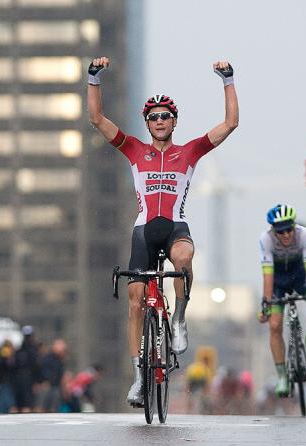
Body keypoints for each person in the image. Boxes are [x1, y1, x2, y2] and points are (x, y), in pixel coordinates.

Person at [86, 56, 239, 406]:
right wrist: (93, 77)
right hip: (143, 232)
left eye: (165, 116)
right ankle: (139, 378)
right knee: (136, 301)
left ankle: (180, 317)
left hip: (174, 228)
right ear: (147, 122)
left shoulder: (190, 152)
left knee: (184, 256)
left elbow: (231, 123)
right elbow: (96, 119)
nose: (159, 120)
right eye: (153, 117)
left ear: (174, 121)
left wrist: (227, 80)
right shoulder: (133, 149)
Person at [257, 204, 306, 397]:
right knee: (274, 325)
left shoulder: (304, 235)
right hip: (278, 282)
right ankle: (282, 376)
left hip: (300, 277)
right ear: (273, 230)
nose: (287, 234)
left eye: (289, 229)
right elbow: (268, 275)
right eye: (281, 231)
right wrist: (266, 303)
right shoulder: (266, 240)